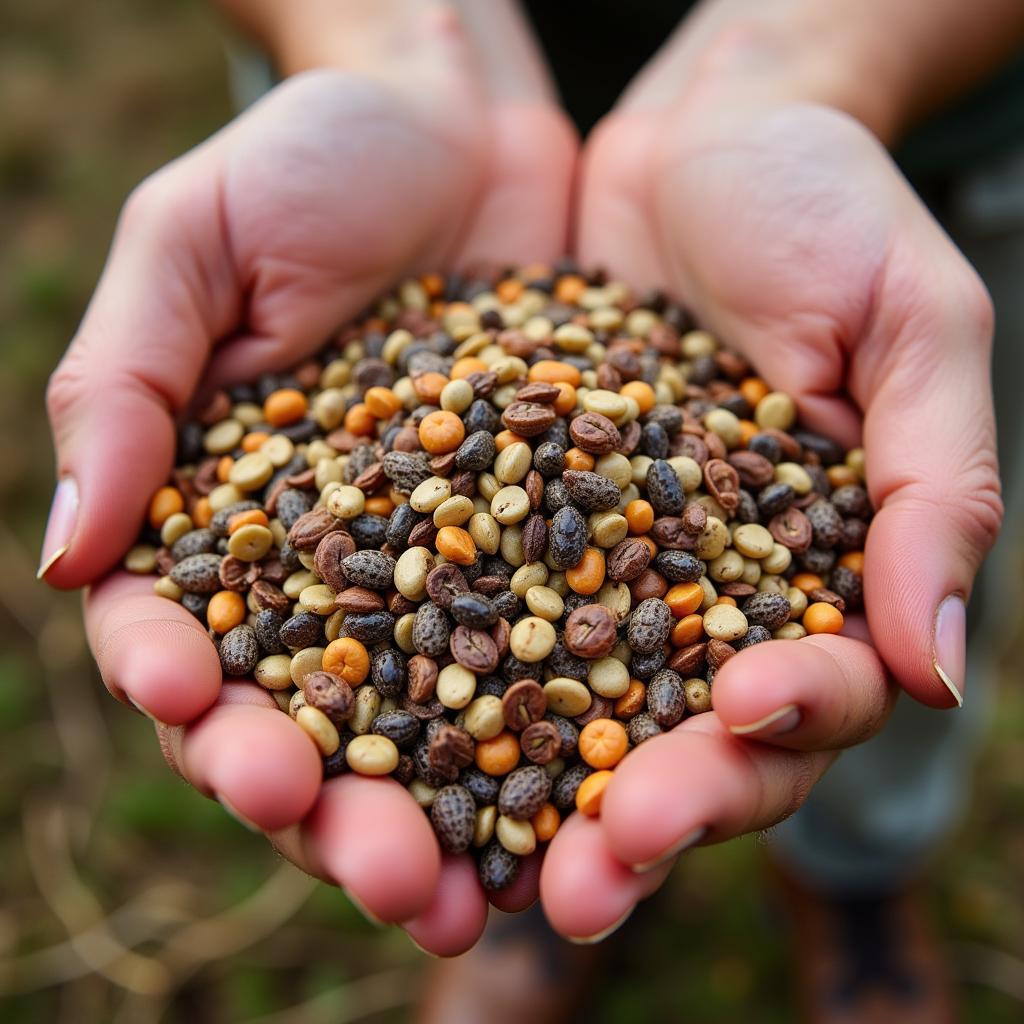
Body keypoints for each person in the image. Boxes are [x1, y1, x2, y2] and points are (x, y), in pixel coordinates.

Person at [38, 1, 1023, 1020]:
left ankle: (859, 871)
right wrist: (395, 44)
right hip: (380, 168)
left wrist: (802, 58)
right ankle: (543, 901)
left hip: (900, 133)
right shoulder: (368, 519)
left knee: (893, 647)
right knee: (652, 776)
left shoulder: (692, 505)